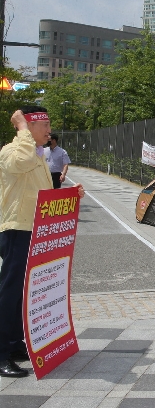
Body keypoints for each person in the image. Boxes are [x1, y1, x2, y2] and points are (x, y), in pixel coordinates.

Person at [0, 107, 85, 378]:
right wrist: (22, 130)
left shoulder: (38, 155)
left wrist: (72, 195)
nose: (49, 130)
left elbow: (44, 196)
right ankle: (1, 352)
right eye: (44, 125)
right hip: (16, 229)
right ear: (29, 126)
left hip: (32, 229)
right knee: (10, 292)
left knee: (21, 293)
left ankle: (14, 344)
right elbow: (18, 164)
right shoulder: (13, 151)